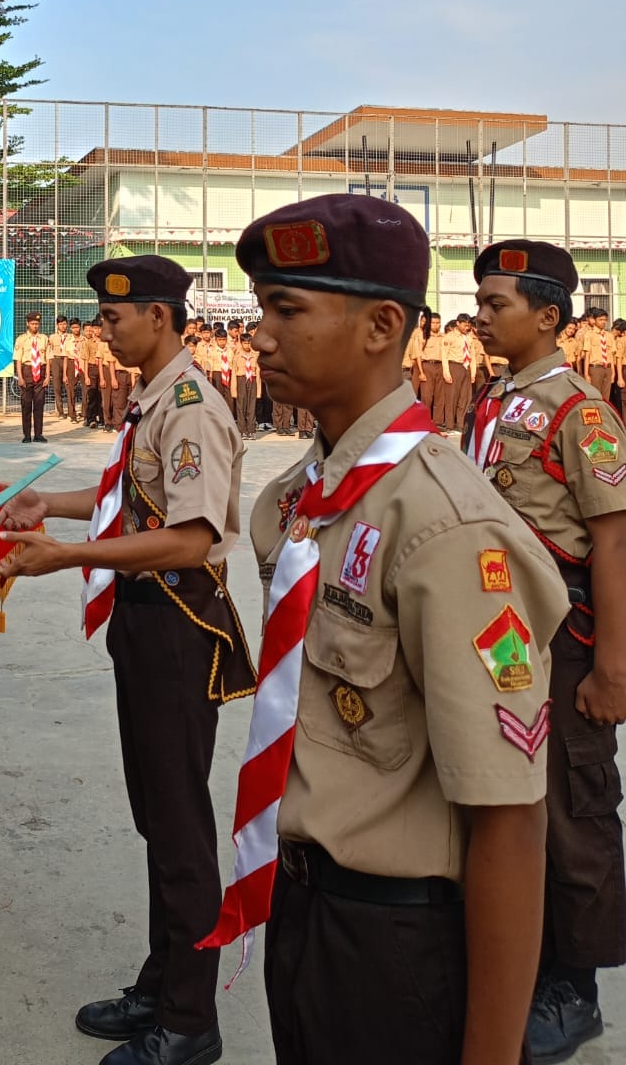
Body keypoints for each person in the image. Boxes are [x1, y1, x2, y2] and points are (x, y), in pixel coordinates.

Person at [202, 195, 570, 1065]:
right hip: (303, 901)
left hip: (396, 938)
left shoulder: (445, 526)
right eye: (260, 310)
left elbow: (510, 819)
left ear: (380, 327)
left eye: (286, 310)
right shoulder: (305, 494)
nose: (258, 336)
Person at [0, 255, 255, 1065]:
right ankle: (161, 980)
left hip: (178, 625)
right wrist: (54, 502)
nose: (104, 329)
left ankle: (190, 1020)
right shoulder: (153, 400)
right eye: (102, 317)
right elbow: (133, 498)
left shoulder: (190, 406)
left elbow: (189, 536)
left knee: (179, 825)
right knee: (157, 815)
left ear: (161, 316)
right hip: (145, 626)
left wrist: (67, 554)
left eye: (116, 316)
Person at [472, 240, 626, 1061]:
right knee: (510, 798)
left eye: (497, 305)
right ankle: (525, 966)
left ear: (548, 316)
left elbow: (613, 544)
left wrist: (612, 668)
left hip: (565, 643)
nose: (482, 317)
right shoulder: (492, 401)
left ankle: (577, 989)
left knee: (575, 808)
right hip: (503, 644)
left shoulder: (581, 412)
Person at [13, 311, 49, 443]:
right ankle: (27, 434)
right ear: (27, 323)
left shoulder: (44, 339)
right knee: (26, 404)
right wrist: (20, 377)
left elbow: (48, 359)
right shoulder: (21, 339)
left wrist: (47, 377)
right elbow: (17, 360)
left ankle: (38, 434)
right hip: (27, 371)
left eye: (37, 324)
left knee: (39, 404)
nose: (35, 326)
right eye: (33, 323)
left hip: (41, 371)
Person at [582, 308, 615, 401]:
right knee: (595, 396)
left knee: (606, 397)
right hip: (595, 368)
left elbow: (611, 355)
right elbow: (587, 355)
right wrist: (586, 374)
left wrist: (613, 372)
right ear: (594, 320)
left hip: (607, 368)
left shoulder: (609, 336)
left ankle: (604, 414)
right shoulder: (589, 335)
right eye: (600, 320)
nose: (603, 322)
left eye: (605, 320)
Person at [48, 314, 69, 417]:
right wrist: (52, 362)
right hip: (56, 360)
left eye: (64, 324)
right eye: (60, 324)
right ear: (57, 325)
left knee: (68, 386)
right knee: (57, 387)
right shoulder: (52, 337)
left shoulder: (70, 337)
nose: (63, 326)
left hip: (67, 360)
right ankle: (61, 411)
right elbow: (49, 349)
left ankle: (71, 410)